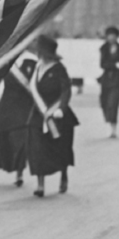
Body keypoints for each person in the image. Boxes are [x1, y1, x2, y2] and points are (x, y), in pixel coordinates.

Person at [26, 35, 79, 197]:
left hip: (57, 115)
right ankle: (40, 184)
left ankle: (63, 175)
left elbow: (66, 90)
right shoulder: (37, 67)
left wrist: (61, 108)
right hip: (38, 114)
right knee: (36, 148)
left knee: (61, 148)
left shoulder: (59, 69)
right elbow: (33, 89)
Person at [0, 52, 37, 186]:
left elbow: (35, 83)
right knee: (4, 136)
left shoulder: (31, 61)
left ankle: (19, 172)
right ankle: (10, 165)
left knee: (20, 139)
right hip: (7, 104)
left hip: (24, 105)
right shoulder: (6, 60)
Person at [99, 26, 119, 138]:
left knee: (113, 103)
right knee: (104, 102)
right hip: (106, 79)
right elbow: (102, 64)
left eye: (113, 35)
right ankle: (109, 121)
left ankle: (113, 128)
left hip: (116, 80)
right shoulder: (103, 48)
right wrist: (114, 65)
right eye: (109, 35)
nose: (111, 37)